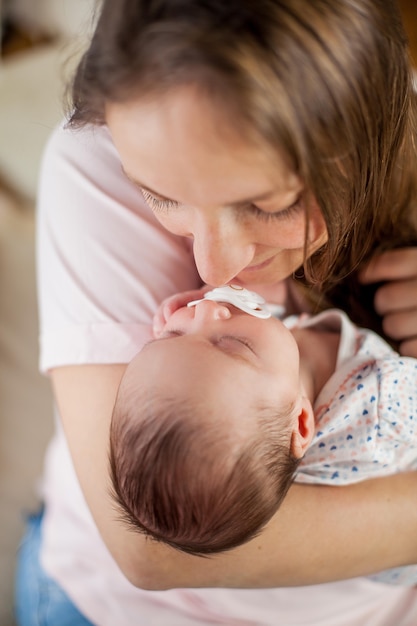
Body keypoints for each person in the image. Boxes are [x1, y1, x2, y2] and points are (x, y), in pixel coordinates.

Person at [15, 0, 417, 624]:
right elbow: (151, 555)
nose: (214, 270)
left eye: (267, 205)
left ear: (366, 147)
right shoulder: (96, 160)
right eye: (161, 197)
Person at [109, 285, 417, 583]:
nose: (203, 311)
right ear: (301, 424)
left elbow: (268, 315)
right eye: (232, 344)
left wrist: (225, 296)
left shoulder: (266, 397)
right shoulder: (383, 400)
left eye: (174, 334)